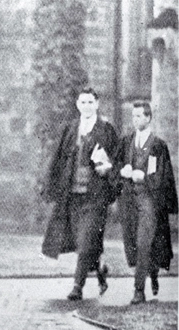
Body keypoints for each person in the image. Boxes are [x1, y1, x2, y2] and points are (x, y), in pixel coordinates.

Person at [41, 87, 119, 300]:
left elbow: (116, 160)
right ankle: (100, 269)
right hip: (72, 196)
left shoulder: (106, 130)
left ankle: (77, 287)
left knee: (85, 242)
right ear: (77, 105)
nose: (86, 106)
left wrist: (108, 169)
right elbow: (58, 159)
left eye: (90, 102)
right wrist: (51, 187)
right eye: (82, 102)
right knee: (83, 242)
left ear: (97, 104)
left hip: (95, 197)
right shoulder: (70, 129)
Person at [116, 101, 178, 304]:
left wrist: (144, 177)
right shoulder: (126, 142)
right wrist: (122, 171)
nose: (136, 120)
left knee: (144, 242)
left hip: (148, 200)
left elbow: (161, 176)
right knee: (134, 243)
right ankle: (152, 272)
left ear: (148, 118)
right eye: (133, 116)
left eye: (140, 116)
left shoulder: (157, 145)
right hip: (129, 201)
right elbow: (117, 165)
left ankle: (138, 290)